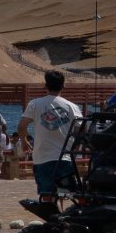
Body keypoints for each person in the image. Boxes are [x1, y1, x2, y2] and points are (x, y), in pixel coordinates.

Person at [23, 71, 82, 202]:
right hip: (65, 157)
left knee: (47, 194)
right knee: (70, 192)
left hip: (42, 157)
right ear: (63, 86)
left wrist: (24, 140)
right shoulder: (72, 107)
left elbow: (22, 126)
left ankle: (51, 218)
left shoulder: (35, 104)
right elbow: (81, 129)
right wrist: (76, 146)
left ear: (45, 86)